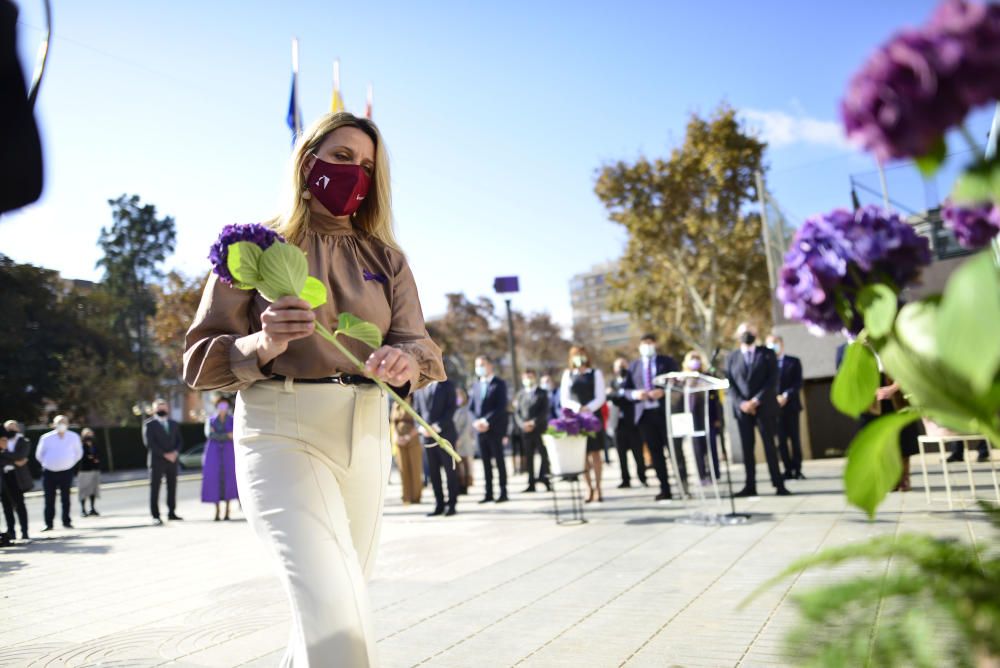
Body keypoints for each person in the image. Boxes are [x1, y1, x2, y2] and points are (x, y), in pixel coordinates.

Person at [183, 111, 445, 667]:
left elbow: (423, 348)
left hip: (367, 435)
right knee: (336, 607)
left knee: (335, 610)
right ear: (308, 162)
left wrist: (404, 361)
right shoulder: (250, 250)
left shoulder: (388, 258)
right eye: (343, 158)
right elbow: (200, 361)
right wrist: (262, 343)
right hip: (280, 431)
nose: (356, 174)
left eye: (368, 166)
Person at [725, 323, 790, 497]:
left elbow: (772, 379)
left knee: (770, 446)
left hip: (764, 408)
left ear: (756, 333)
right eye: (743, 332)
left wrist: (756, 400)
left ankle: (779, 484)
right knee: (747, 449)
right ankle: (750, 486)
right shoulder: (732, 357)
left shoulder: (767, 354)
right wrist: (742, 403)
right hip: (742, 410)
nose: (747, 334)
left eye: (750, 331)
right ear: (737, 335)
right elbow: (729, 384)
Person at [627, 334, 684, 501]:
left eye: (650, 343)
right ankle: (664, 489)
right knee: (655, 454)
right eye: (644, 343)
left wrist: (664, 390)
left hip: (665, 412)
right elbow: (626, 390)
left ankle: (683, 486)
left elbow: (678, 381)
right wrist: (637, 394)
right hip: (645, 415)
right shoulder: (634, 366)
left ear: (655, 344)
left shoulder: (666, 361)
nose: (647, 346)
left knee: (675, 451)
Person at [560, 345, 607, 503]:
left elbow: (601, 396)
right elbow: (564, 398)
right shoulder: (568, 374)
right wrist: (577, 408)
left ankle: (599, 488)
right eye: (576, 355)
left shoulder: (595, 374)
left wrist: (589, 408)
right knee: (582, 454)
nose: (579, 357)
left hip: (593, 417)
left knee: (595, 454)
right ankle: (588, 488)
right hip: (576, 418)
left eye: (582, 354)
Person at [415, 379, 458, 516]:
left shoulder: (447, 385)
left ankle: (452, 504)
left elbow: (451, 409)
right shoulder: (419, 387)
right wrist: (421, 428)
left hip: (445, 435)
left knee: (449, 471)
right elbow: (416, 411)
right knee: (433, 472)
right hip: (427, 437)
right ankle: (438, 504)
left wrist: (437, 427)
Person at [766, 335, 806, 480]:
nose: (772, 346)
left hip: (791, 406)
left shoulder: (793, 362)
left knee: (795, 439)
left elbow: (798, 383)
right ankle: (787, 469)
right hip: (775, 408)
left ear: (781, 344)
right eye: (769, 344)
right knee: (781, 441)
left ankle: (797, 469)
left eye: (775, 343)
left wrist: (786, 395)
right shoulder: (767, 365)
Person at [471, 356, 509, 503]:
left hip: (494, 428)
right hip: (480, 431)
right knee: (485, 462)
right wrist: (476, 421)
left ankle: (503, 492)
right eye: (477, 365)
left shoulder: (499, 384)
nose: (479, 368)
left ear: (490, 366)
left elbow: (501, 406)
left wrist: (486, 421)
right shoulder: (475, 385)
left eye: (482, 365)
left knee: (499, 461)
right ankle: (489, 493)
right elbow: (472, 407)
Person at [680, 351, 721, 486]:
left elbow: (715, 399)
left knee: (711, 446)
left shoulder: (707, 376)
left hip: (707, 415)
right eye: (692, 359)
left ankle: (714, 474)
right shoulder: (683, 378)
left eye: (697, 358)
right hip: (692, 417)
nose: (695, 361)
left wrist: (717, 418)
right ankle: (702, 475)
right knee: (697, 447)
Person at [35, 415, 83, 531]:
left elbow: (78, 453)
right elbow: (39, 455)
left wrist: (69, 463)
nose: (61, 424)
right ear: (54, 424)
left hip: (66, 471)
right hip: (49, 472)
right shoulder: (46, 438)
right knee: (49, 499)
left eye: (64, 422)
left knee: (65, 498)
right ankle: (49, 524)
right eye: (59, 422)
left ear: (67, 423)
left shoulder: (73, 436)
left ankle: (66, 522)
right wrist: (50, 464)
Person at [142, 398, 184, 525]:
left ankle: (172, 512)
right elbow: (149, 443)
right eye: (159, 407)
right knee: (155, 488)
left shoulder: (173, 423)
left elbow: (179, 441)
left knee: (172, 487)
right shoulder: (149, 424)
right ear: (154, 409)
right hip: (156, 461)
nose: (162, 409)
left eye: (164, 407)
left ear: (168, 409)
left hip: (172, 461)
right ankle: (156, 516)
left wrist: (175, 453)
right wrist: (165, 454)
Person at [607, 357, 646, 489]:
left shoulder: (633, 381)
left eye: (623, 365)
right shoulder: (612, 383)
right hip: (618, 423)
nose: (621, 369)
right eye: (619, 366)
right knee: (621, 454)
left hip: (633, 422)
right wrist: (621, 395)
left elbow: (631, 398)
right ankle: (625, 479)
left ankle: (642, 477)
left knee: (638, 453)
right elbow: (610, 397)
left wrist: (620, 395)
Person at [514, 370, 551, 493]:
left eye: (530, 377)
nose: (528, 379)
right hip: (526, 431)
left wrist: (533, 422)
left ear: (534, 377)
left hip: (539, 429)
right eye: (525, 377)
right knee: (528, 457)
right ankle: (531, 483)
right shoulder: (520, 394)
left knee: (543, 455)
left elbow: (544, 411)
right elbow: (517, 412)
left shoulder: (542, 393)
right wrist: (522, 424)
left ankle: (545, 479)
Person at [203, 396, 239, 521]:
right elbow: (210, 434)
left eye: (225, 406)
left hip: (229, 452)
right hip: (214, 452)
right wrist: (226, 436)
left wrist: (219, 435)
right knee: (214, 479)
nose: (223, 408)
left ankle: (227, 511)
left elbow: (234, 435)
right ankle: (217, 511)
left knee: (229, 478)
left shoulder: (233, 420)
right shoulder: (211, 420)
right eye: (220, 406)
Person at [1, 420, 31, 541]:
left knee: (20, 505)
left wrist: (4, 453)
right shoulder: (3, 440)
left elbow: (21, 456)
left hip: (17, 477)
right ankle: (11, 532)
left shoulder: (24, 441)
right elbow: (17, 459)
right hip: (3, 477)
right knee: (6, 506)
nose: (11, 430)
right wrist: (14, 460)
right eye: (8, 428)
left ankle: (25, 532)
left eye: (13, 427)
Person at [392, 398, 422, 505]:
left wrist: (408, 437)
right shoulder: (396, 403)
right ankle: (406, 496)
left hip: (413, 438)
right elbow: (393, 422)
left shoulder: (415, 402)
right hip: (399, 440)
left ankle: (416, 496)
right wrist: (396, 436)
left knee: (415, 467)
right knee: (402, 468)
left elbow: (419, 422)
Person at [453, 387, 475, 494]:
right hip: (454, 440)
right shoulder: (453, 410)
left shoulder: (466, 410)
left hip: (464, 440)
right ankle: (458, 484)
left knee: (465, 463)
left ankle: (465, 485)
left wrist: (460, 438)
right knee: (457, 464)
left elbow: (467, 427)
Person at [77, 428, 101, 517]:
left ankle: (92, 508)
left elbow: (98, 454)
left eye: (90, 433)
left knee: (93, 490)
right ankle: (83, 509)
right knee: (83, 490)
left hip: (94, 469)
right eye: (86, 434)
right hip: (84, 470)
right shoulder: (80, 444)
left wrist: (95, 457)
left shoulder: (95, 444)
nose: (89, 436)